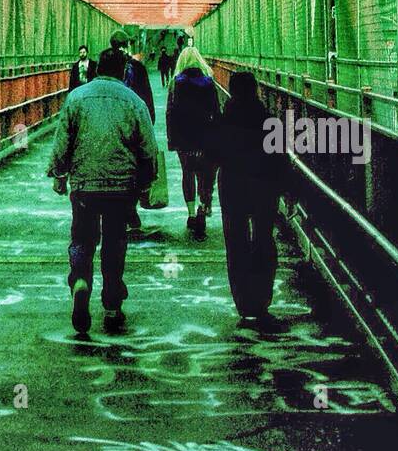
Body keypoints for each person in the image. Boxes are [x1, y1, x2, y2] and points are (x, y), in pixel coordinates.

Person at [48, 47, 159, 333]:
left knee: (82, 239)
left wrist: (59, 174)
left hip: (84, 184)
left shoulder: (76, 98)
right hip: (121, 186)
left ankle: (81, 280)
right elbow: (148, 147)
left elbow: (62, 142)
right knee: (114, 242)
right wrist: (147, 181)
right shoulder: (133, 101)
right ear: (123, 71)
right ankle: (111, 303)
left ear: (97, 69)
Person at [214, 70, 288, 329]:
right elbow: (281, 159)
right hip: (263, 186)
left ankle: (244, 303)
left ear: (232, 91)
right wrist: (288, 191)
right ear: (255, 90)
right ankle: (261, 301)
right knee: (263, 240)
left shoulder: (223, 121)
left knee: (236, 242)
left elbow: (213, 156)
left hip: (232, 185)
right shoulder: (268, 121)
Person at [165, 45, 221, 239]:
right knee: (205, 175)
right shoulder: (208, 83)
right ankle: (202, 208)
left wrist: (172, 140)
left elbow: (170, 113)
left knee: (187, 173)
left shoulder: (175, 83)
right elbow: (216, 112)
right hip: (205, 139)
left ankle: (190, 214)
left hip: (184, 139)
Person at [110, 29, 154, 233]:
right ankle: (129, 208)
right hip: (133, 123)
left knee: (112, 163)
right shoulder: (137, 67)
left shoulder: (105, 64)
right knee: (134, 165)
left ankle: (120, 210)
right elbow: (146, 94)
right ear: (128, 45)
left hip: (111, 123)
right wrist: (149, 121)